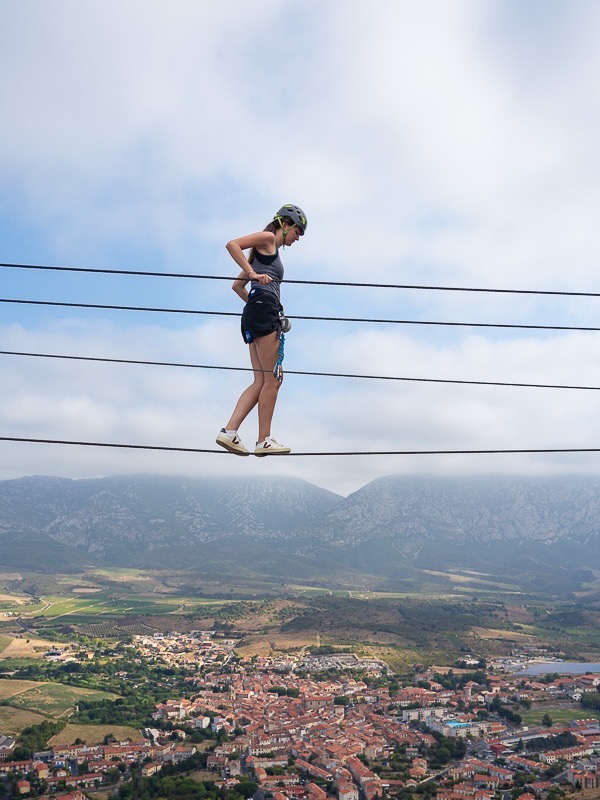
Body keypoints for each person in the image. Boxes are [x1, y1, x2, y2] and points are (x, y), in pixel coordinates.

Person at [216, 204, 307, 457]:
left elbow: (237, 286)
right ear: (285, 224)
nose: (297, 238)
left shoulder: (267, 252)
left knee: (261, 381)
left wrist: (258, 300)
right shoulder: (268, 239)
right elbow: (232, 244)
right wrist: (253, 274)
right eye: (297, 232)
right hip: (262, 311)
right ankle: (263, 440)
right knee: (273, 379)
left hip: (255, 312)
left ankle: (229, 432)